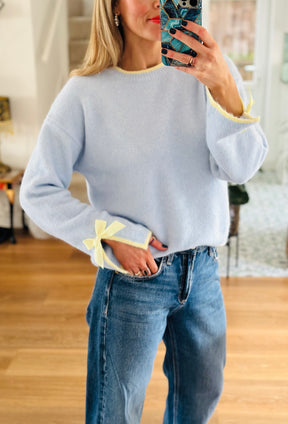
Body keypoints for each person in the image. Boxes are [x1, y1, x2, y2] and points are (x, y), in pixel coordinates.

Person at [20, 0, 268, 422]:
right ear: (113, 7)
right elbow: (37, 190)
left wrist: (223, 84)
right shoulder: (86, 93)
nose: (156, 1)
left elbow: (240, 167)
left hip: (204, 272)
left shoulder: (210, 73)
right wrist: (110, 233)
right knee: (114, 411)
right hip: (133, 277)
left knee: (199, 402)